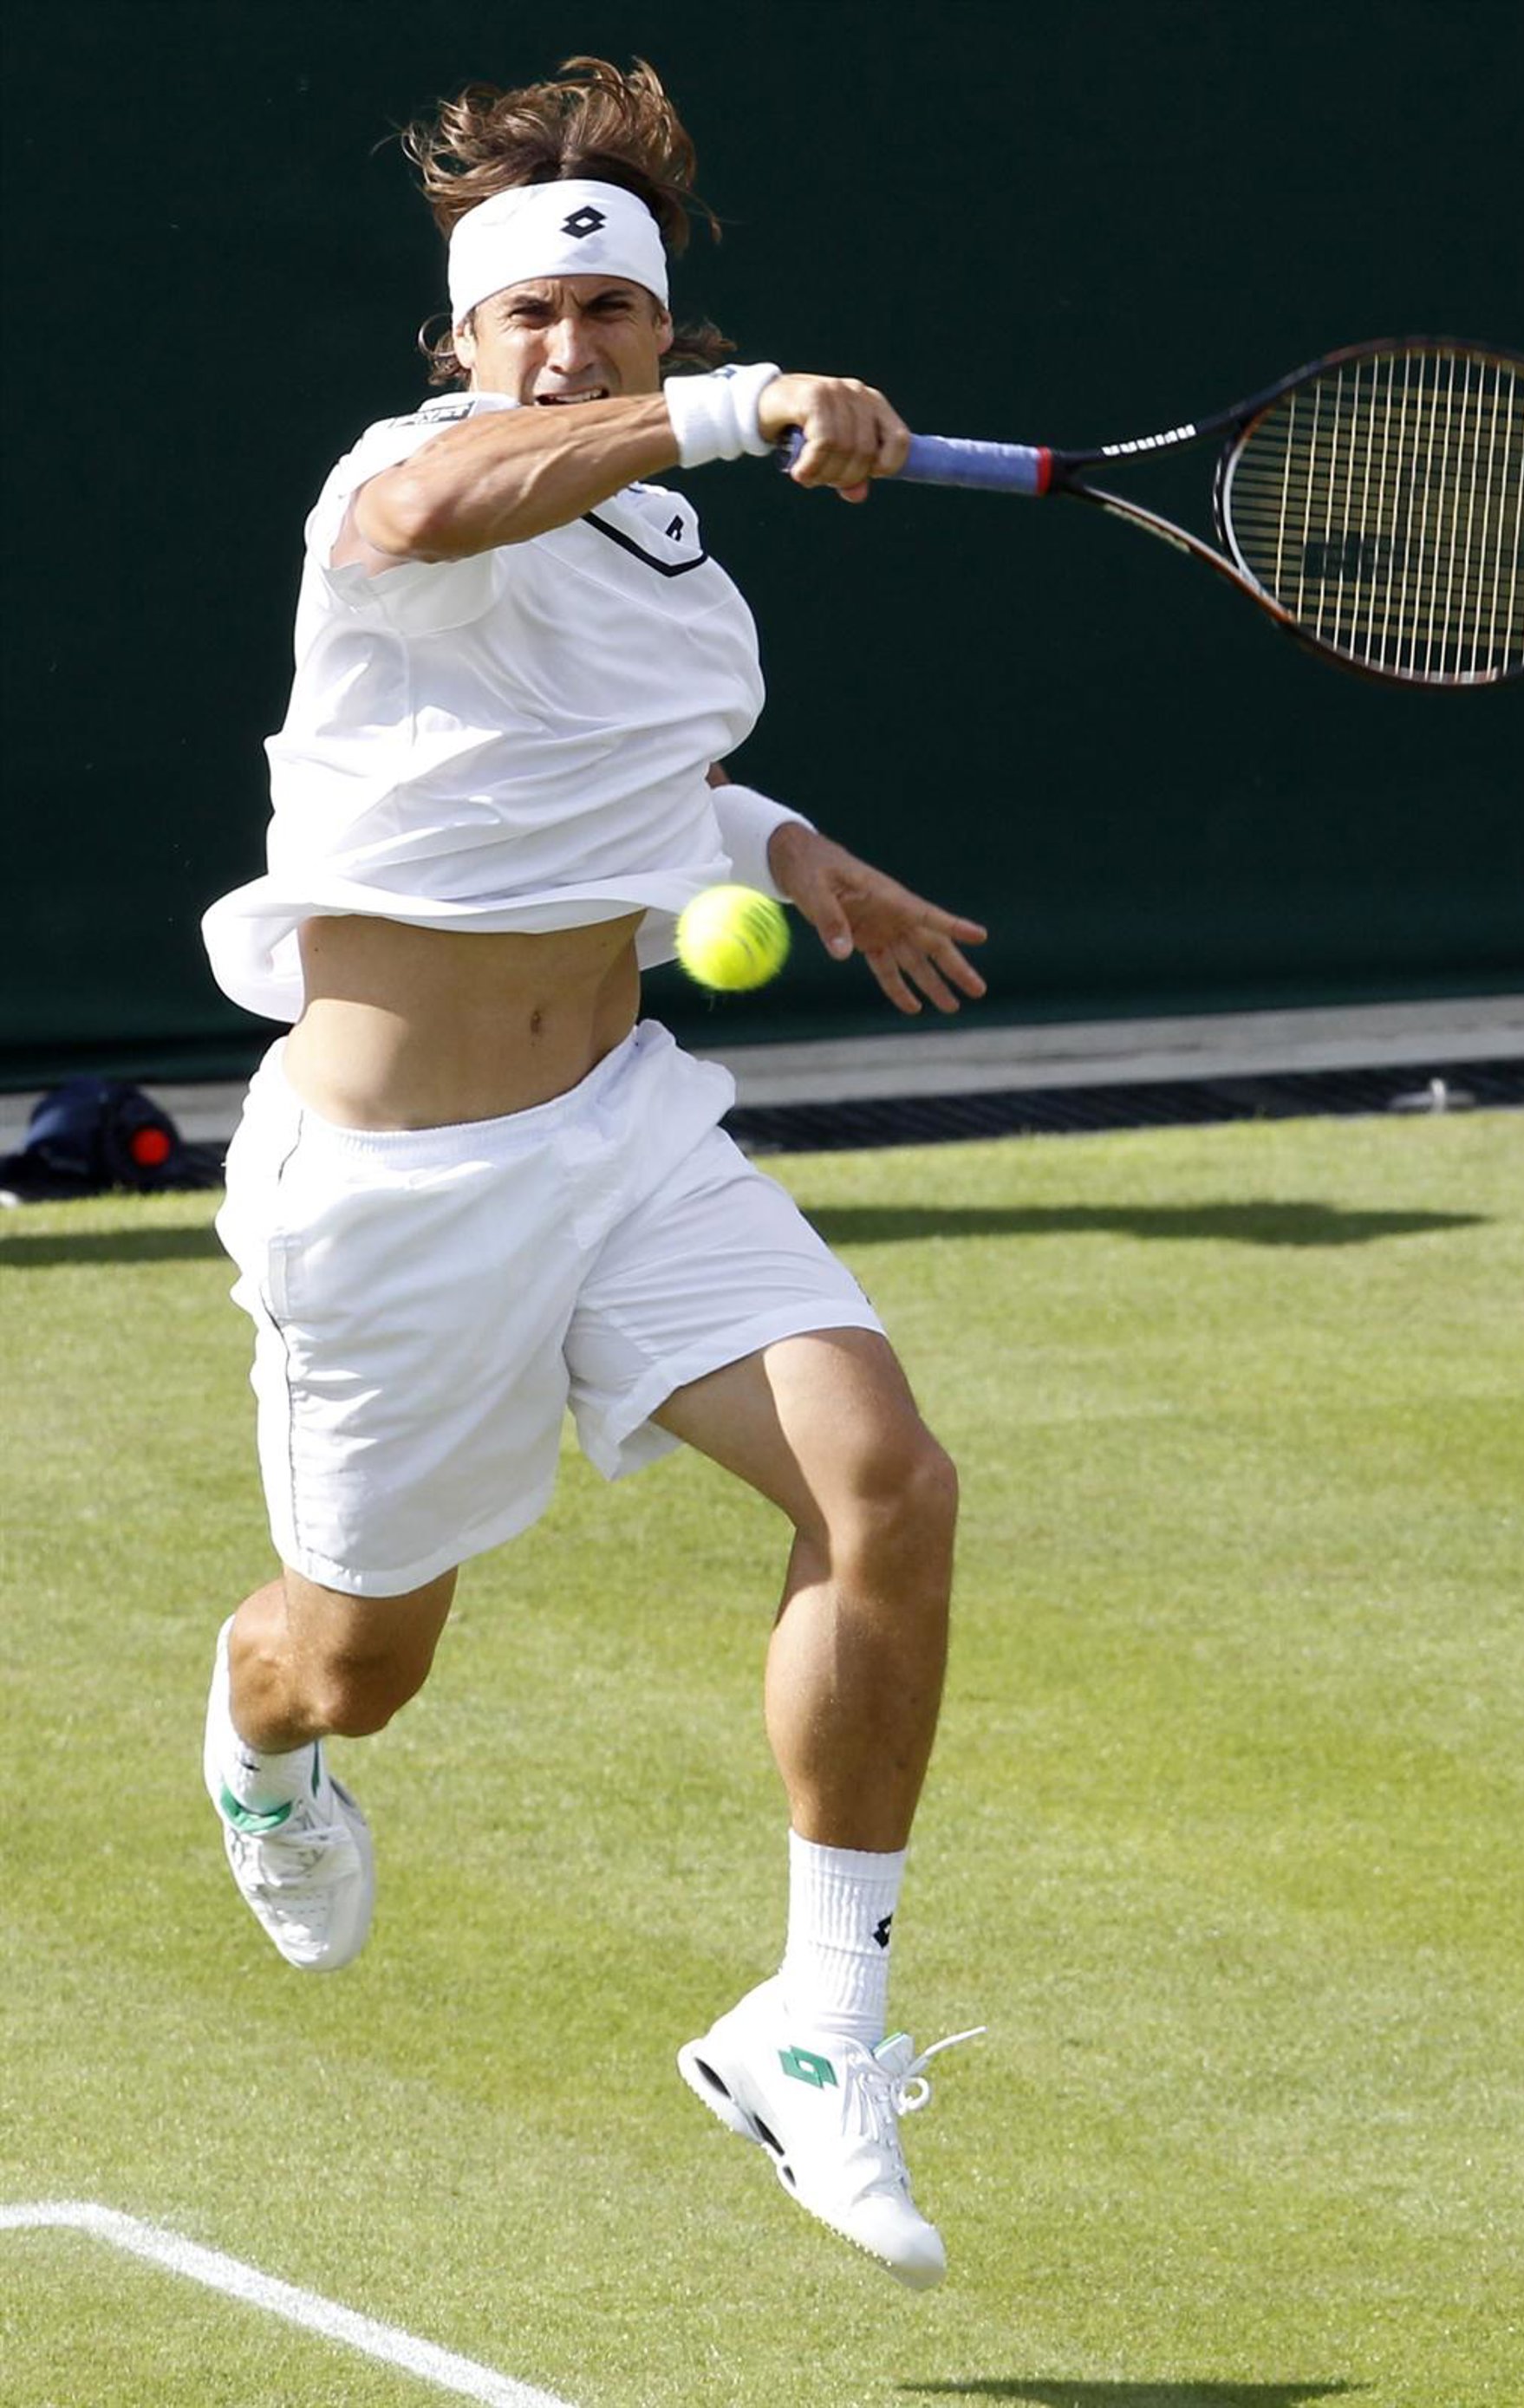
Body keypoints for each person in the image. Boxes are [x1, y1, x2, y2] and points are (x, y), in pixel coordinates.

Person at [199, 56, 987, 2291]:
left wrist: (795, 851)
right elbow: (440, 520)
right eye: (525, 320)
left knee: (886, 1486)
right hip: (392, 1196)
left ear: (660, 321)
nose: (567, 349)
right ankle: (258, 1747)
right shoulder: (406, 477)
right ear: (461, 343)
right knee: (356, 1665)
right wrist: (734, 413)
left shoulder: (664, 549)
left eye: (609, 314)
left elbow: (625, 771)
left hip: (624, 1130)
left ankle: (816, 2023)